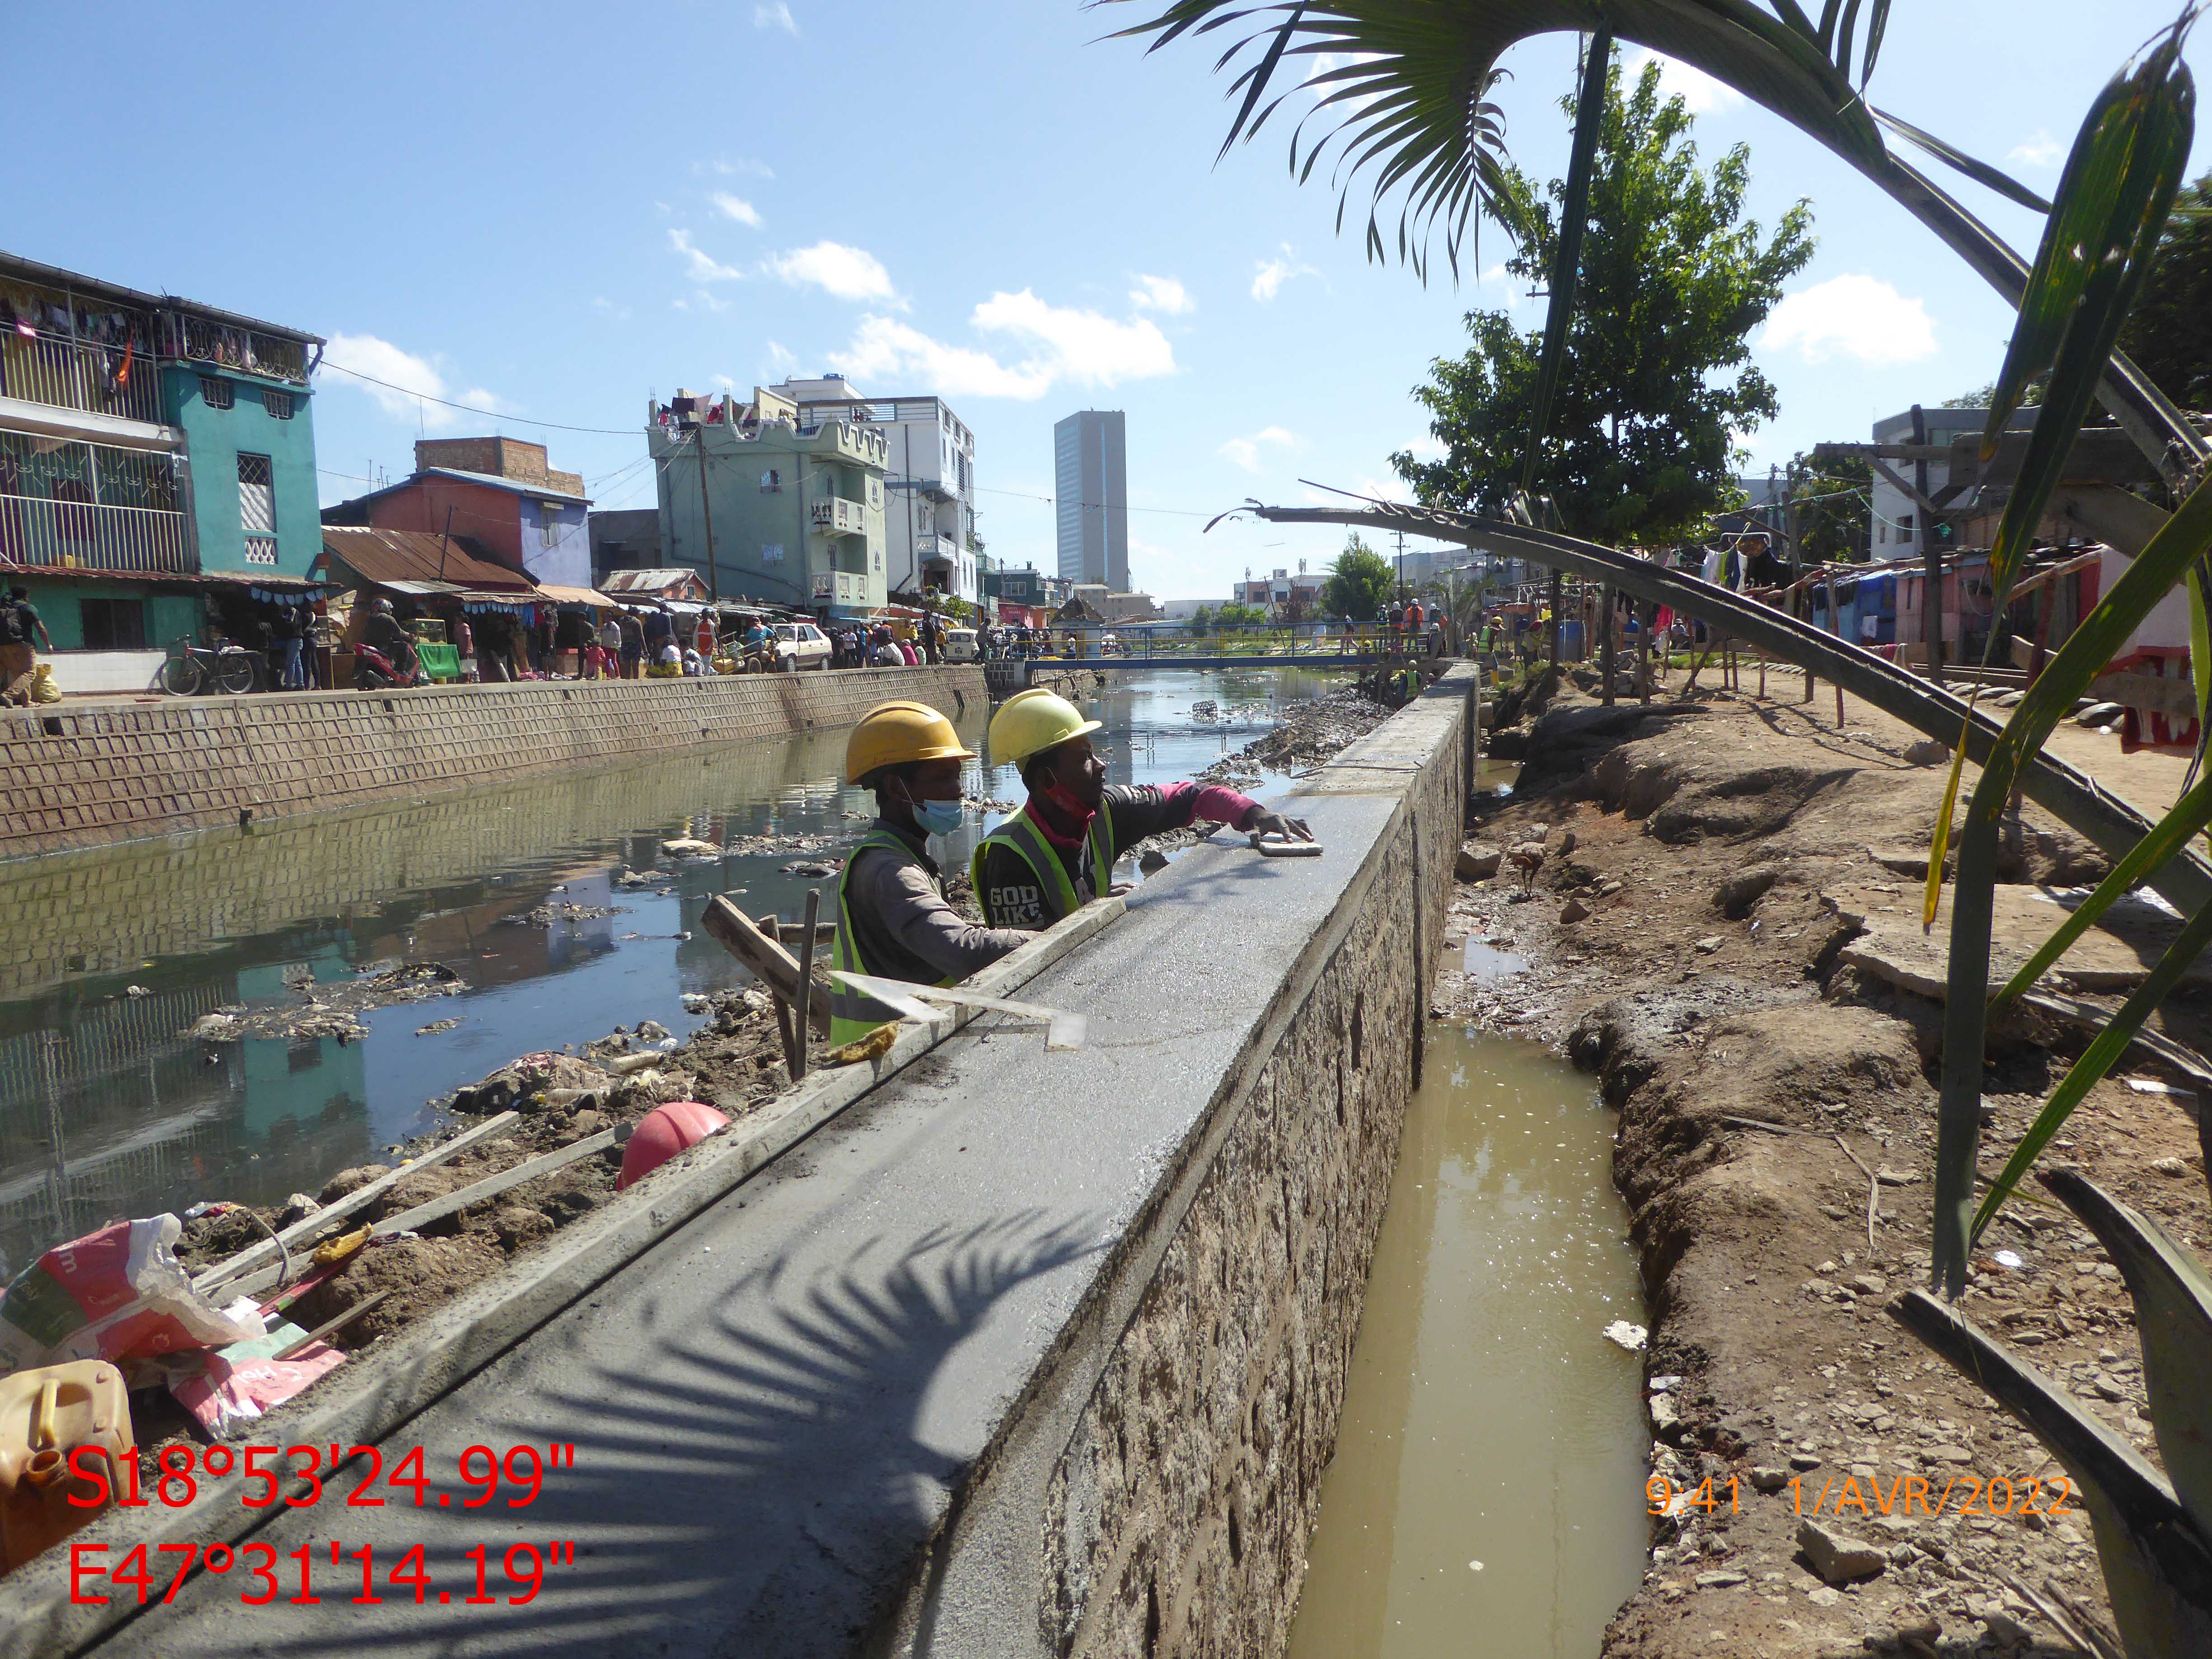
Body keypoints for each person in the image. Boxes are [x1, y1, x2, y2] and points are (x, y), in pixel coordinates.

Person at [972, 689, 1312, 930]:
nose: (1101, 765)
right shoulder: (1011, 856)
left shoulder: (1105, 810)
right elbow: (1027, 960)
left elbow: (1192, 796)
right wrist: (1096, 910)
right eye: (1083, 759)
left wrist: (1253, 813)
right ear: (1048, 779)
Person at [829, 702, 1037, 1045]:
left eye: (957, 775)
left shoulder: (901, 857)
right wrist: (1057, 938)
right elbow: (963, 951)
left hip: (899, 1051)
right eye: (942, 777)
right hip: (881, 1067)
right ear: (897, 789)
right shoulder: (892, 873)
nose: (958, 790)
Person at [1, 586, 49, 702]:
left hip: (4, 645)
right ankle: (8, 695)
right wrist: (48, 644)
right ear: (25, 596)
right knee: (30, 673)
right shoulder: (28, 608)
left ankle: (27, 702)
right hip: (24, 645)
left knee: (20, 674)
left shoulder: (4, 607)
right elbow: (41, 629)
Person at [619, 609, 646, 679]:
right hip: (635, 645)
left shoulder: (622, 621)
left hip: (625, 645)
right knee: (635, 666)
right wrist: (645, 650)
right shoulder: (637, 622)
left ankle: (628, 681)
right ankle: (636, 682)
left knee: (627, 665)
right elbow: (641, 636)